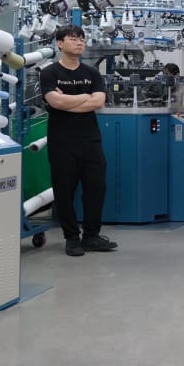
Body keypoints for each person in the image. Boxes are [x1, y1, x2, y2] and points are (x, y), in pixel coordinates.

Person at [40, 25, 117, 257]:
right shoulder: (50, 73)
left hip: (90, 140)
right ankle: (71, 237)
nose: (80, 43)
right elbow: (55, 103)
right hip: (62, 141)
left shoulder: (92, 73)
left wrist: (72, 100)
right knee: (64, 191)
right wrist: (84, 97)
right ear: (60, 44)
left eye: (82, 39)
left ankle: (91, 236)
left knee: (96, 188)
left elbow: (98, 102)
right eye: (74, 39)